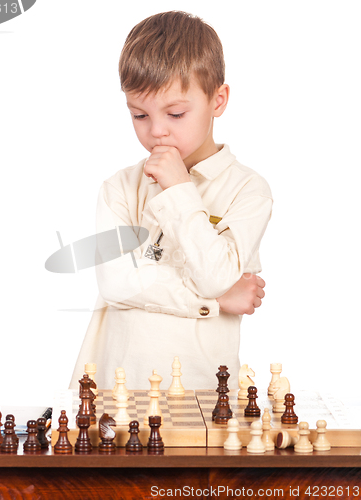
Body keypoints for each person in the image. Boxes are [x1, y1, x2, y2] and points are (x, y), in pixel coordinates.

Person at [70, 11, 273, 391]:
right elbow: (116, 285)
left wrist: (180, 190)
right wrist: (214, 303)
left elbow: (216, 275)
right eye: (139, 115)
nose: (156, 130)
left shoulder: (249, 190)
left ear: (218, 99)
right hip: (114, 392)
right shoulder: (119, 187)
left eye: (176, 113)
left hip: (200, 394)